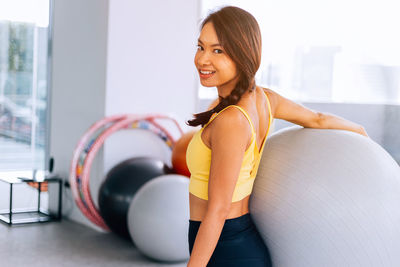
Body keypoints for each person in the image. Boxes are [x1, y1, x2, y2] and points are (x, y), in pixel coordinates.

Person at [185, 6, 369, 267]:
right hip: (233, 241)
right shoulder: (264, 99)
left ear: (243, 55)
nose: (202, 59)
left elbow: (218, 209)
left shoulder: (232, 121)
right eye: (200, 47)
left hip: (224, 248)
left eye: (218, 51)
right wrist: (360, 130)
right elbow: (317, 118)